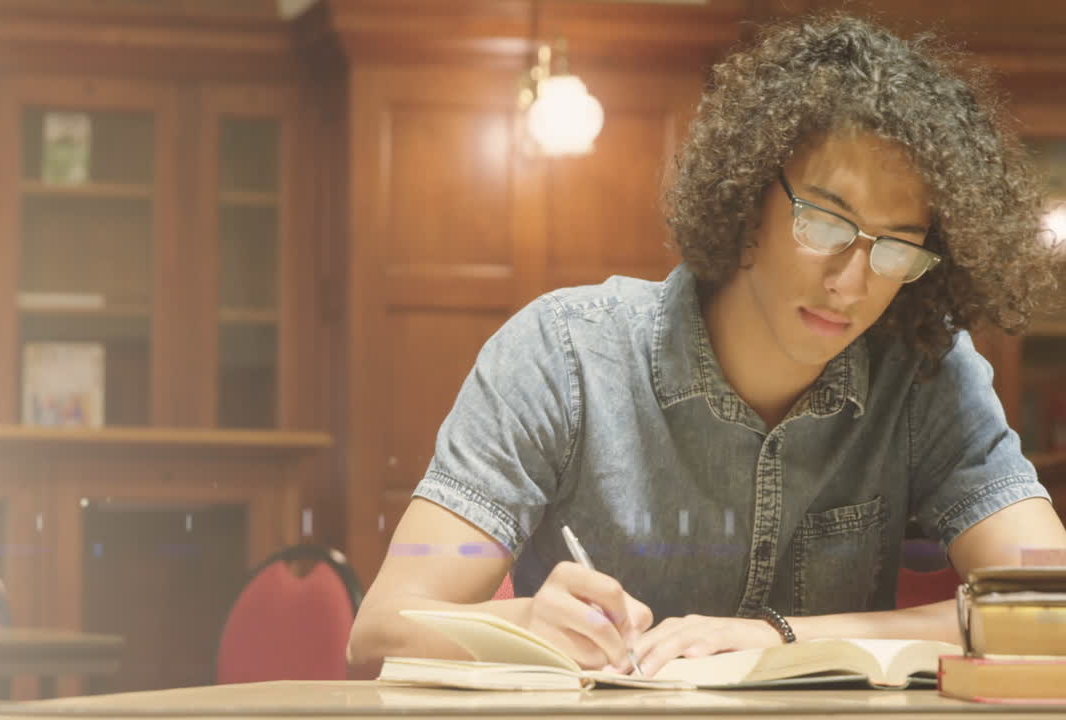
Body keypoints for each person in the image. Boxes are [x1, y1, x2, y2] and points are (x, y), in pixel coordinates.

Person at [346, 12, 1066, 678]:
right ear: (751, 198)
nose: (852, 281)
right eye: (824, 222)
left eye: (895, 250)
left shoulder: (926, 373)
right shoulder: (560, 356)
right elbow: (382, 625)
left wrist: (786, 637)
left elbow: (1051, 604)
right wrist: (527, 619)